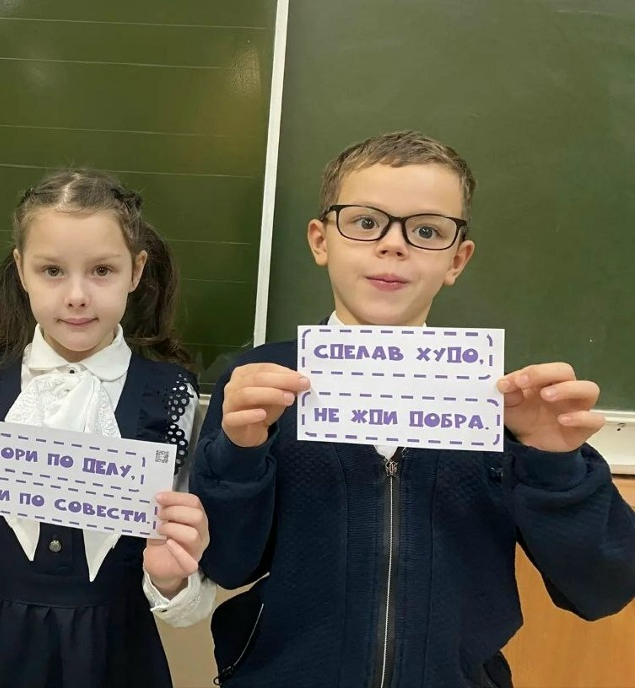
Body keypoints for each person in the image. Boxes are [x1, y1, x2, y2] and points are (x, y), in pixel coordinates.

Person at [191, 130, 635, 688]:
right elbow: (227, 563)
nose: (393, 245)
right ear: (321, 241)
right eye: (365, 222)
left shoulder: (507, 404)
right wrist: (239, 455)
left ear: (457, 259)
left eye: (427, 231)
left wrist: (555, 466)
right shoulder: (257, 387)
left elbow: (605, 588)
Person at [0, 170, 217, 688]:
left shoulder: (171, 396)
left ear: (136, 271)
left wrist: (170, 576)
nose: (76, 295)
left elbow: (186, 605)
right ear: (21, 270)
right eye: (51, 270)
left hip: (115, 656)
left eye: (102, 271)